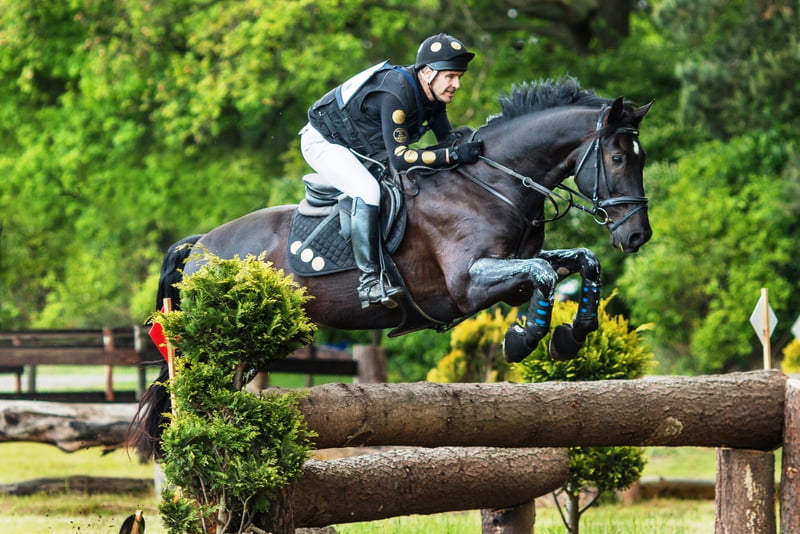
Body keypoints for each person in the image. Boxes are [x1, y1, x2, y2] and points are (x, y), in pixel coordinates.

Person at [300, 33, 483, 309]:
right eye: (451, 76)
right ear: (428, 72)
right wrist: (453, 154)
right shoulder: (396, 91)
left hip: (360, 148)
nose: (456, 84)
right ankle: (370, 282)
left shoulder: (432, 96)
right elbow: (401, 158)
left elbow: (449, 139)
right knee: (367, 191)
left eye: (459, 77)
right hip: (323, 141)